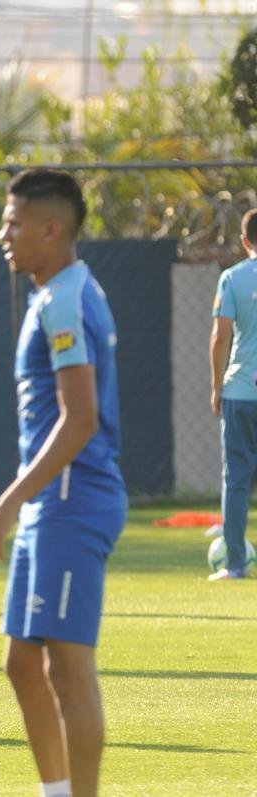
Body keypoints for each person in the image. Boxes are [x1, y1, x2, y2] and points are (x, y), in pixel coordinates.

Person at [0, 168, 127, 797]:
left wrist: (6, 505)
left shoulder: (63, 299)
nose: (2, 234)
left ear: (51, 227)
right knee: (22, 664)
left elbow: (80, 418)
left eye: (12, 222)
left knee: (67, 669)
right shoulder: (61, 293)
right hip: (52, 503)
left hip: (71, 499)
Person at [209, 207, 257, 580]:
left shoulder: (232, 278)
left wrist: (215, 386)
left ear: (244, 242)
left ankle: (236, 565)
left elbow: (220, 336)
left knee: (237, 478)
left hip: (241, 391)